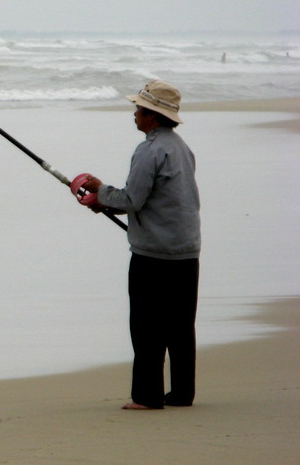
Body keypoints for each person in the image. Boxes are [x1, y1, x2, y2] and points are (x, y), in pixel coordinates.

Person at [78, 79, 200, 410]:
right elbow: (153, 199)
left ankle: (147, 396)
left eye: (138, 109)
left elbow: (132, 198)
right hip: (186, 250)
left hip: (154, 255)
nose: (134, 114)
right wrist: (105, 200)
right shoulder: (180, 148)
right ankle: (181, 393)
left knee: (147, 326)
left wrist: (101, 192)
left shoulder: (149, 150)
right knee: (179, 327)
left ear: (153, 116)